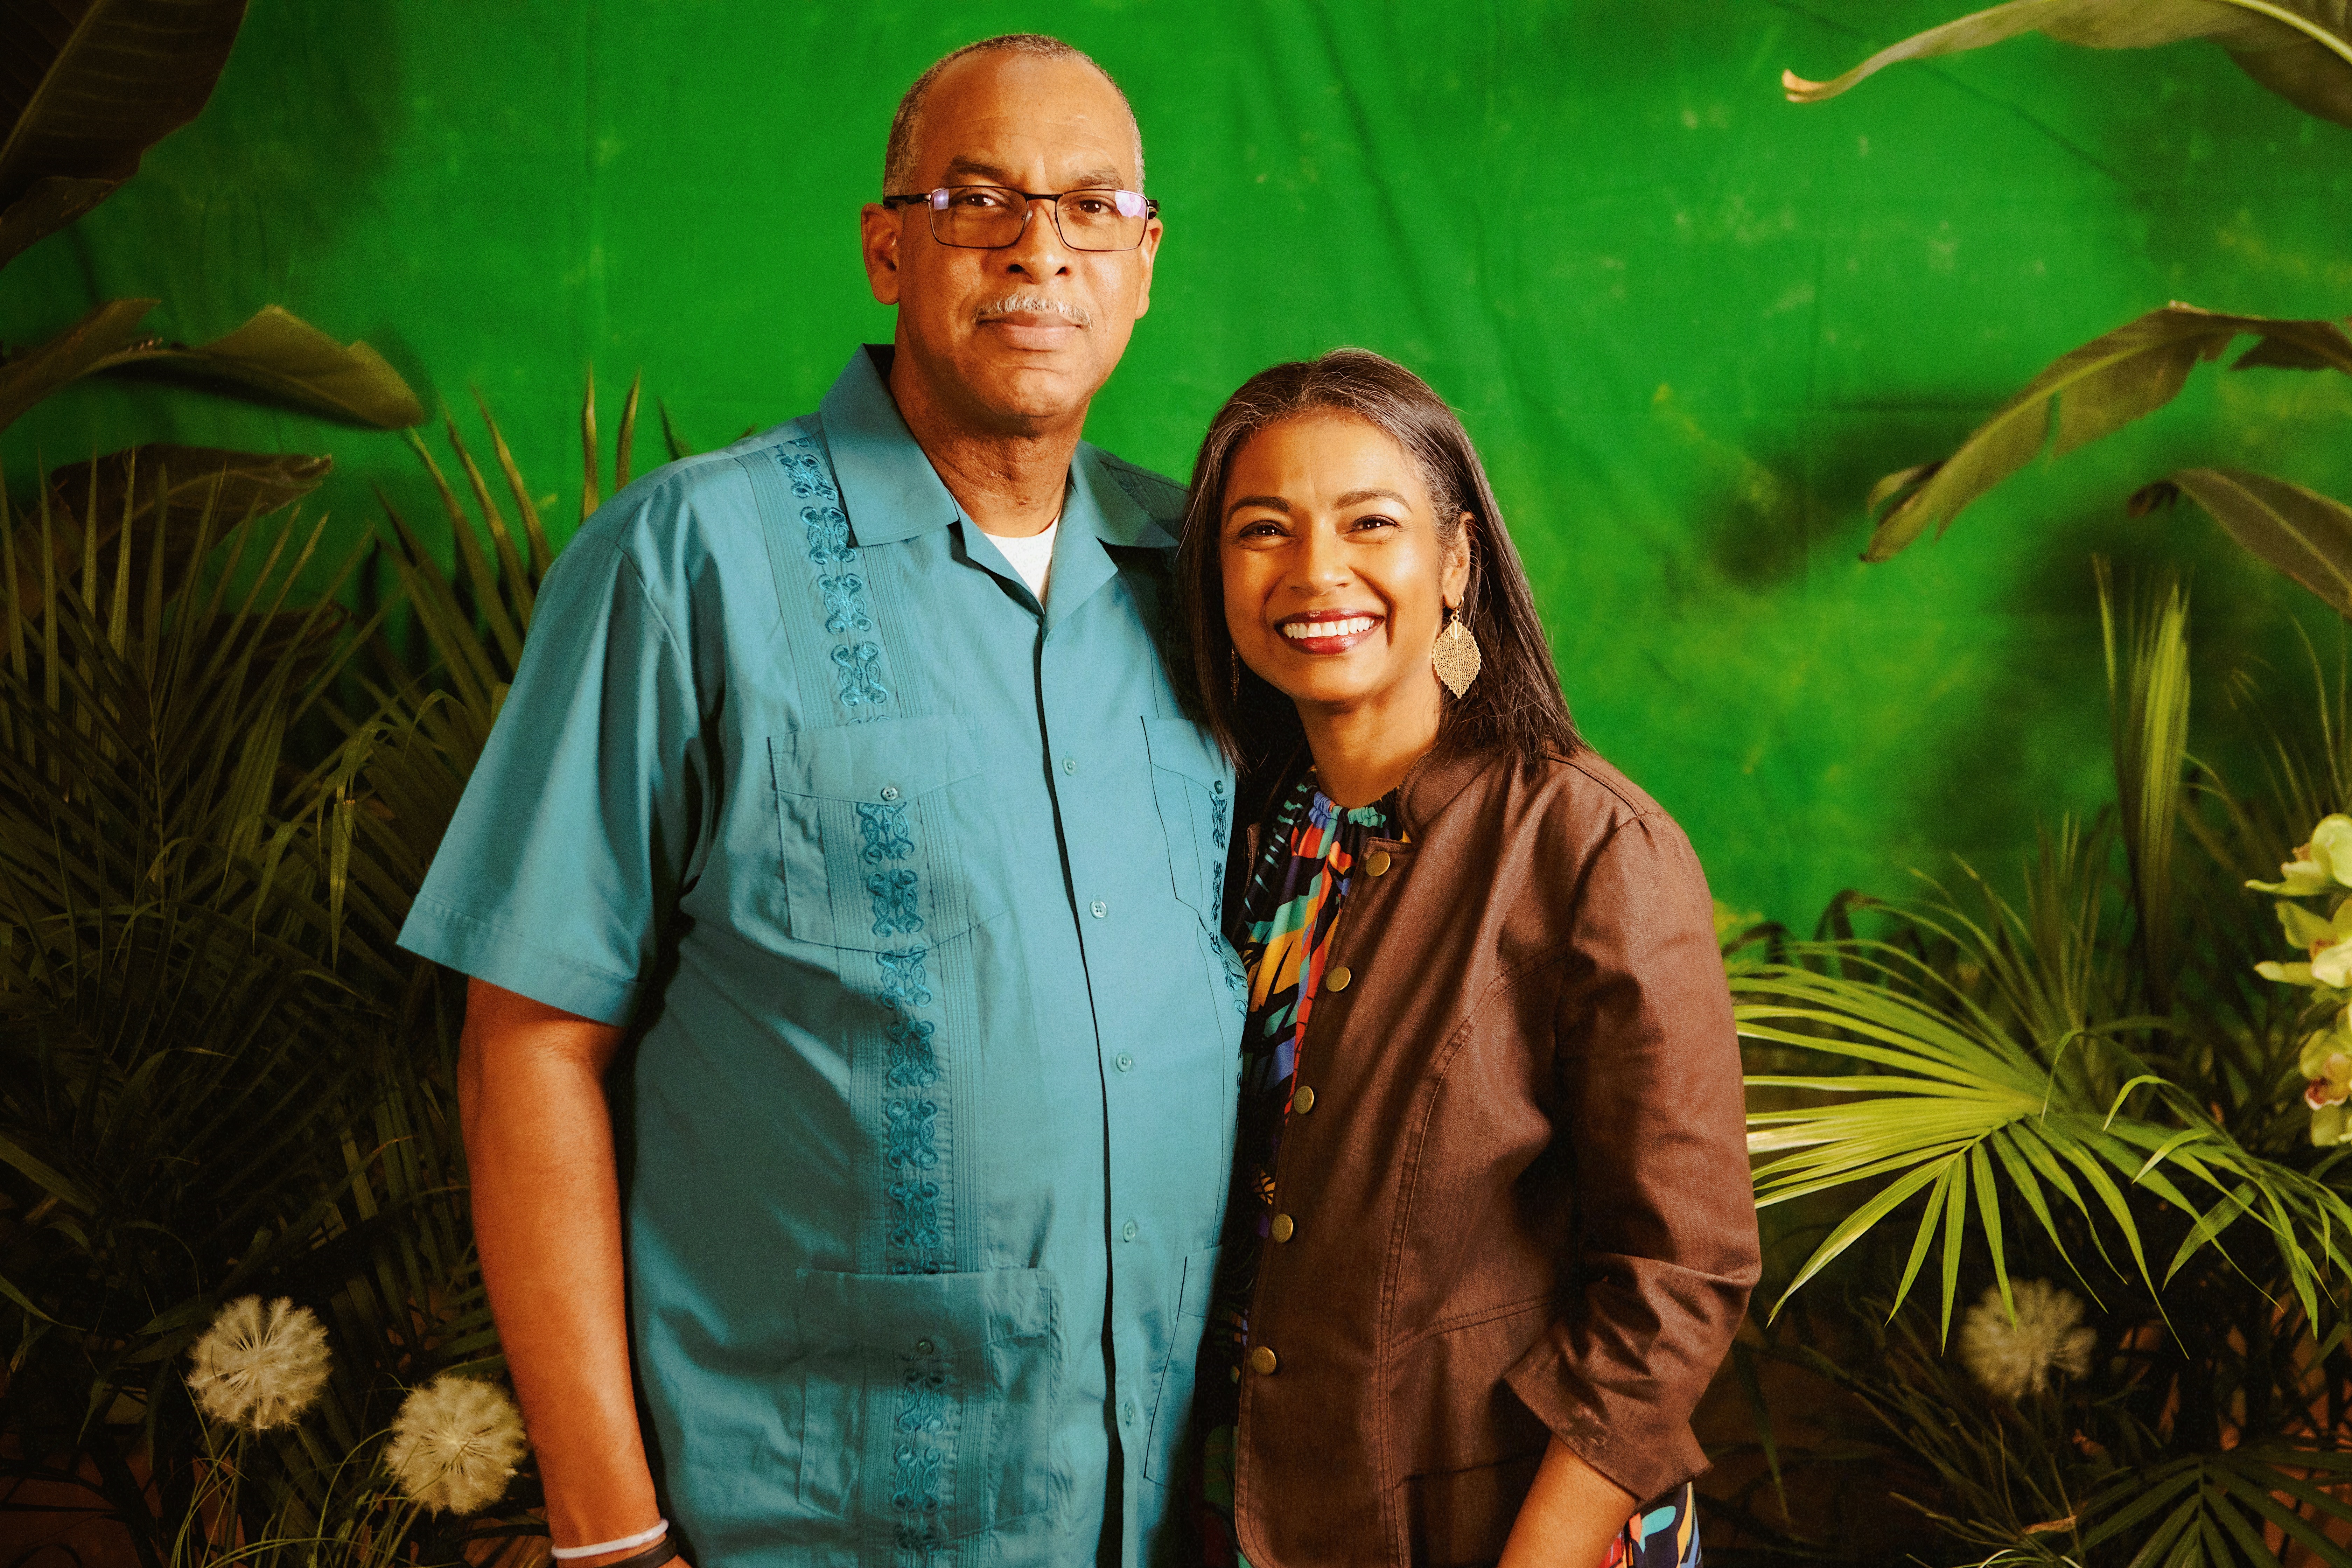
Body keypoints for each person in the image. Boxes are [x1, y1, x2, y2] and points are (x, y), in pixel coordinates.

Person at [398, 35, 1244, 1568]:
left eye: (1090, 205)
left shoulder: (1208, 579)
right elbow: (526, 1045)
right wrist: (608, 1533)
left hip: (1163, 1511)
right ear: (886, 249)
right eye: (976, 197)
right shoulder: (685, 564)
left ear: (1144, 258)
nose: (1038, 246)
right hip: (808, 1519)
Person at [1172, 349, 1759, 1568]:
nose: (1314, 572)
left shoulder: (1593, 846)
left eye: (1370, 524)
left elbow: (1681, 1273)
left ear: (1456, 564)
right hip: (1249, 1500)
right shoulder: (1223, 826)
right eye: (1261, 530)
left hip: (1497, 1520)